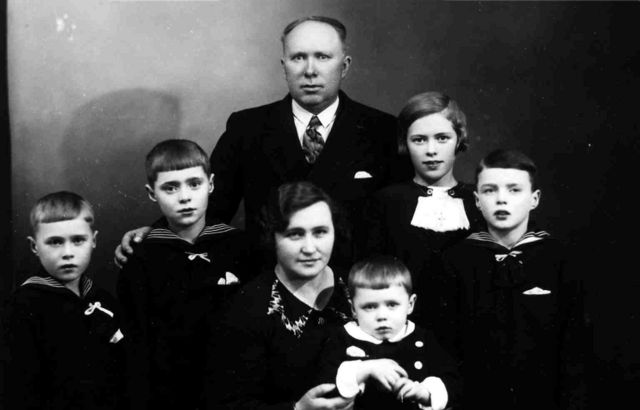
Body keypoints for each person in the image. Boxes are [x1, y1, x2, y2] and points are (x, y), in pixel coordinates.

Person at [115, 15, 409, 269]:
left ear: (344, 66)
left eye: (322, 57)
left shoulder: (382, 129)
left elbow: (399, 222)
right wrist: (156, 233)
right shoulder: (248, 128)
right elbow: (210, 206)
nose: (310, 70)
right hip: (266, 286)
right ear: (284, 66)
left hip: (356, 291)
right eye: (298, 57)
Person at [439, 149, 588, 409]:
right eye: (490, 190)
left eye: (514, 190)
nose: (501, 200)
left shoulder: (560, 260)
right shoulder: (454, 261)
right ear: (477, 200)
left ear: (534, 199)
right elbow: (445, 349)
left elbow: (575, 350)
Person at [116, 139, 249, 409]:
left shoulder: (240, 248)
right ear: (151, 193)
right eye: (170, 188)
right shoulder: (141, 258)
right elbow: (136, 345)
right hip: (168, 394)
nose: (184, 197)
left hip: (234, 388)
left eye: (194, 184)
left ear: (211, 184)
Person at [206, 181, 354, 410]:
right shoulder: (248, 308)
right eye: (295, 234)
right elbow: (228, 404)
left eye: (320, 232)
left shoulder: (357, 287)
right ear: (272, 237)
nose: (310, 248)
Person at [360, 91, 483, 326]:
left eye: (442, 138)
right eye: (419, 140)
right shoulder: (386, 202)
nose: (431, 150)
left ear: (459, 139)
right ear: (405, 143)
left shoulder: (479, 200)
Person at [2, 191, 127, 410]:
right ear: (34, 246)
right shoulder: (22, 306)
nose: (68, 253)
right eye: (55, 242)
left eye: (78, 240)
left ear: (94, 240)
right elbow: (19, 389)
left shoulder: (102, 299)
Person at [316, 255, 459, 410]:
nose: (382, 316)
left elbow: (453, 381)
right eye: (370, 307)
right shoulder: (343, 339)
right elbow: (323, 385)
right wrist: (365, 370)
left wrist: (424, 393)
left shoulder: (423, 339)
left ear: (410, 304)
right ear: (353, 309)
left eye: (392, 305)